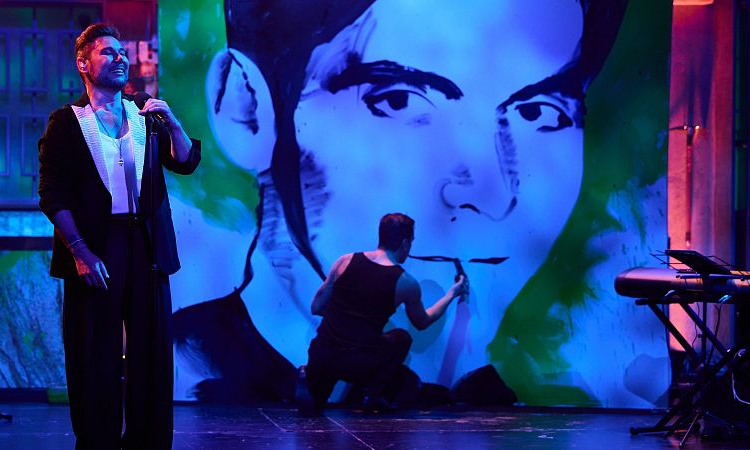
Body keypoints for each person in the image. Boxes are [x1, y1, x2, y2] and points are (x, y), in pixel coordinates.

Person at [173, 0, 663, 408]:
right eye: (399, 100)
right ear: (246, 108)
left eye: (540, 111)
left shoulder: (559, 378)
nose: (487, 190)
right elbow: (416, 320)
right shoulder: (184, 359)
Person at [38, 23, 201, 449]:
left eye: (121, 52)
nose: (119, 58)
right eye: (107, 52)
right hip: (96, 244)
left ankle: (147, 440)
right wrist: (79, 251)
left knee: (150, 352)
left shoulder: (145, 111)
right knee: (95, 350)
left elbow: (184, 162)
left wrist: (174, 123)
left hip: (145, 245)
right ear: (83, 64)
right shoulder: (66, 123)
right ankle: (98, 440)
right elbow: (52, 192)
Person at [303, 213, 468, 414]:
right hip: (358, 364)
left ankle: (308, 378)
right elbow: (422, 322)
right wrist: (452, 293)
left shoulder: (344, 261)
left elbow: (316, 307)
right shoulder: (406, 282)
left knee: (315, 404)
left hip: (323, 355)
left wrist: (345, 313)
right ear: (406, 243)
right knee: (401, 338)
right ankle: (371, 394)